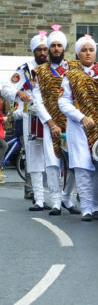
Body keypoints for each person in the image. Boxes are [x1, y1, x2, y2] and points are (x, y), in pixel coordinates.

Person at [59, 35, 98, 221]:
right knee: (82, 168)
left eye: (91, 50)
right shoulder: (70, 76)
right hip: (79, 128)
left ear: (95, 52)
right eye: (84, 50)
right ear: (78, 53)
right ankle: (86, 208)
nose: (88, 53)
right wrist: (81, 117)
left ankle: (96, 205)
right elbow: (63, 102)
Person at [33, 25, 79, 216]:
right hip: (50, 124)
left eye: (59, 45)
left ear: (64, 48)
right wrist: (50, 123)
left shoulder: (74, 68)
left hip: (72, 123)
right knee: (52, 164)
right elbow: (37, 100)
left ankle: (67, 197)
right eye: (53, 46)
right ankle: (55, 202)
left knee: (74, 163)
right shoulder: (39, 71)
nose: (56, 49)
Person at [2, 32, 51, 206]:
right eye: (39, 50)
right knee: (34, 157)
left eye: (46, 49)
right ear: (33, 51)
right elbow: (6, 88)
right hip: (29, 118)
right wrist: (18, 92)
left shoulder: (56, 68)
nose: (43, 53)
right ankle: (34, 192)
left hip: (52, 118)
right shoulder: (24, 70)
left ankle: (53, 194)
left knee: (51, 159)